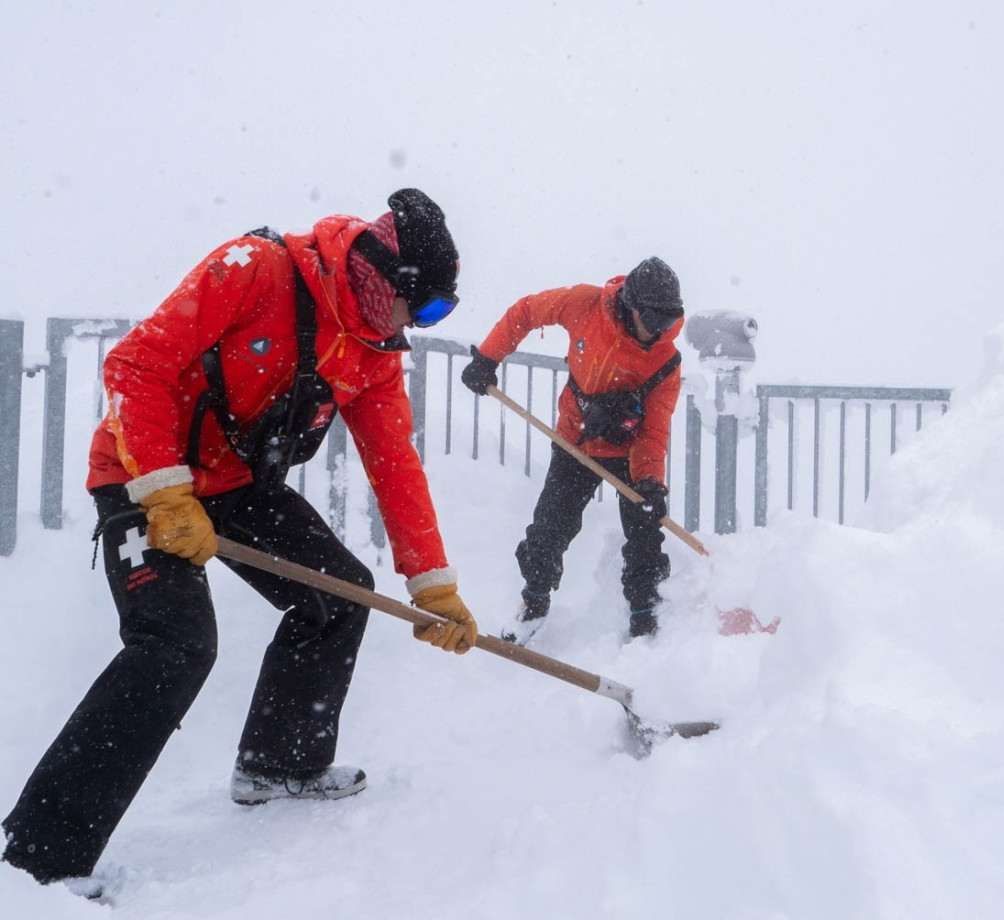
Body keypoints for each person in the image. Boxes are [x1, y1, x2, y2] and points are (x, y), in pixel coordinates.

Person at [2, 188, 478, 892]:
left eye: (442, 313)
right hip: (142, 472)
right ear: (387, 281)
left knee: (340, 597)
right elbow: (138, 364)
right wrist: (164, 492)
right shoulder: (254, 269)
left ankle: (278, 764)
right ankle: (37, 860)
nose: (424, 323)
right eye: (428, 306)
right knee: (176, 642)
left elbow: (394, 461)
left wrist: (433, 582)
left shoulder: (370, 348)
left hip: (234, 486)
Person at [461, 257, 685, 645]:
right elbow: (526, 312)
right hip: (575, 440)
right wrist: (488, 357)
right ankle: (533, 603)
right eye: (654, 319)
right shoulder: (585, 304)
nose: (660, 331)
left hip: (629, 454)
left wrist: (650, 483)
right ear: (632, 305)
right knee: (549, 528)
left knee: (646, 538)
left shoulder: (666, 360)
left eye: (669, 322)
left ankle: (645, 619)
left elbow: (654, 430)